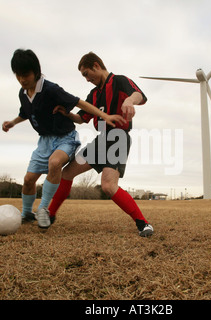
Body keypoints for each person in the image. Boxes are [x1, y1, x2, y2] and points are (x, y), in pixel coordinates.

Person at [2, 49, 125, 227]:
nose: (22, 79)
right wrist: (13, 122)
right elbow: (25, 113)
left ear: (35, 72)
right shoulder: (23, 93)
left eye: (26, 75)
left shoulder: (51, 89)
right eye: (18, 75)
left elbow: (80, 103)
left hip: (65, 138)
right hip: (44, 141)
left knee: (55, 163)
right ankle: (27, 213)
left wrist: (104, 116)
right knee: (28, 180)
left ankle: (43, 209)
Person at [41, 52, 154, 237]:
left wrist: (129, 100)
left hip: (118, 137)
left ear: (96, 66)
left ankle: (143, 223)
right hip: (101, 140)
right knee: (66, 173)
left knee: (108, 186)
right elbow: (82, 118)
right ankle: (49, 215)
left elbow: (140, 95)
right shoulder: (94, 94)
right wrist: (66, 113)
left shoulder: (119, 81)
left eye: (86, 74)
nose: (86, 79)